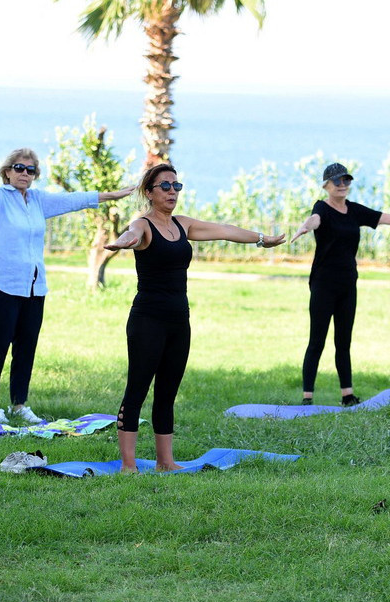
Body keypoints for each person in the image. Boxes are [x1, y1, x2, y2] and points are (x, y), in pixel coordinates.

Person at [105, 163, 286, 472]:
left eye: (177, 186)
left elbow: (225, 231)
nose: (172, 191)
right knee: (137, 388)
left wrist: (260, 239)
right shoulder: (143, 225)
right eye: (165, 186)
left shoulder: (182, 225)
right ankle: (128, 464)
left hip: (179, 320)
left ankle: (166, 461)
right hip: (147, 319)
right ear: (149, 192)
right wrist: (124, 242)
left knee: (168, 391)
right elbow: (133, 234)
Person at [0, 149, 134, 424]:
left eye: (30, 170)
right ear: (7, 171)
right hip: (2, 286)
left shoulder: (38, 200)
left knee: (26, 348)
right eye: (19, 168)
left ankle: (19, 404)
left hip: (34, 288)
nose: (24, 173)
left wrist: (114, 195)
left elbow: (74, 200)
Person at [290, 162, 390, 406]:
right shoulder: (322, 207)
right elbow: (315, 220)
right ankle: (307, 397)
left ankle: (347, 396)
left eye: (346, 181)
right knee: (317, 341)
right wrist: (303, 228)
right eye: (337, 181)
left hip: (347, 284)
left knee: (344, 341)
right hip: (323, 284)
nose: (342, 185)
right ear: (326, 185)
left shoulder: (354, 211)